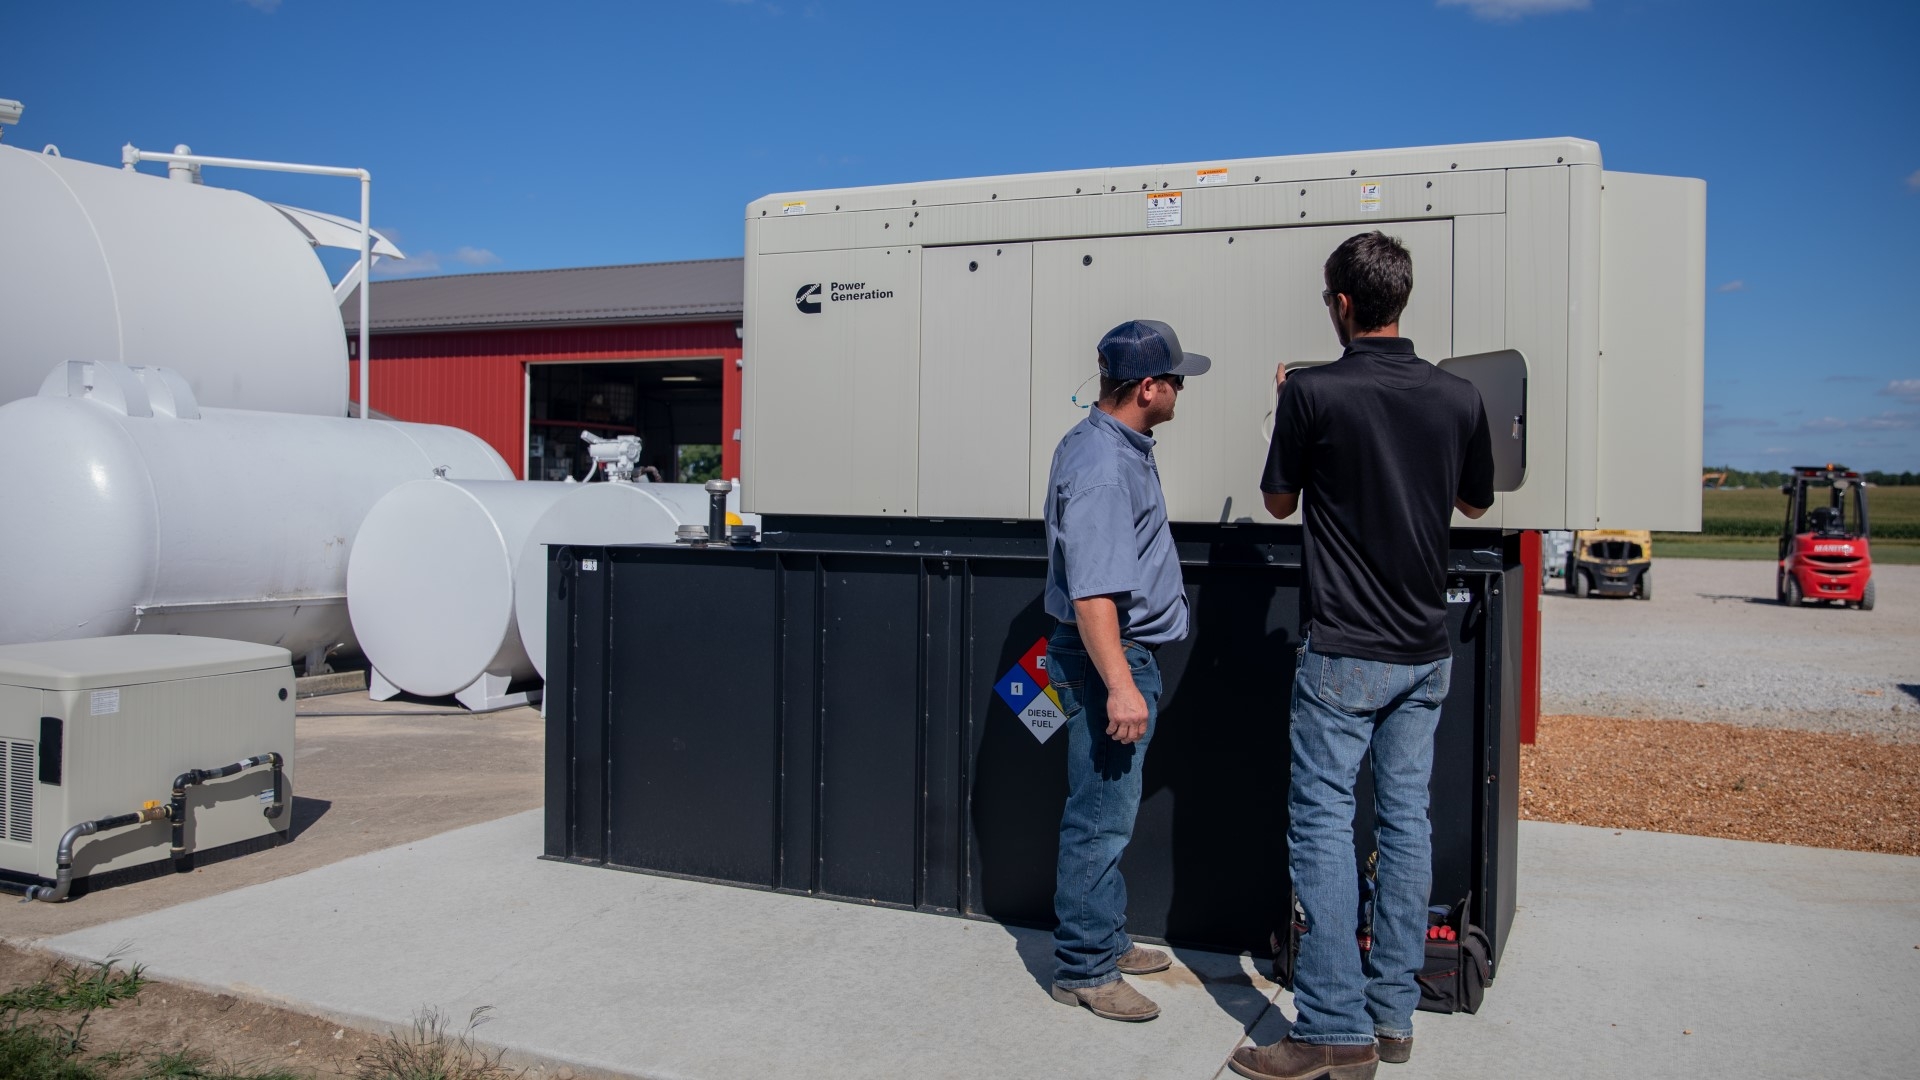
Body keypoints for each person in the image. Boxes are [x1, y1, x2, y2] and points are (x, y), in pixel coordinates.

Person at [1231, 233, 1494, 1080]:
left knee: (1322, 826)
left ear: (1343, 304)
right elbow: (1476, 495)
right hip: (1426, 647)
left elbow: (1277, 503)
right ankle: (1392, 1018)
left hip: (1345, 647)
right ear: (1400, 300)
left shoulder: (1313, 392)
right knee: (1404, 823)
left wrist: (1287, 406)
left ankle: (1332, 1029)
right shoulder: (1459, 396)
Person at [1042, 319, 1211, 1022]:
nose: (1180, 389)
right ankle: (1083, 967)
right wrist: (1119, 685)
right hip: (1110, 660)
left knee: (1104, 810)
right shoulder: (1106, 467)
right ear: (1147, 387)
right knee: (1100, 818)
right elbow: (1093, 593)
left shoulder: (1103, 443)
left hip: (1105, 657)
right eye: (1175, 379)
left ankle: (1104, 940)